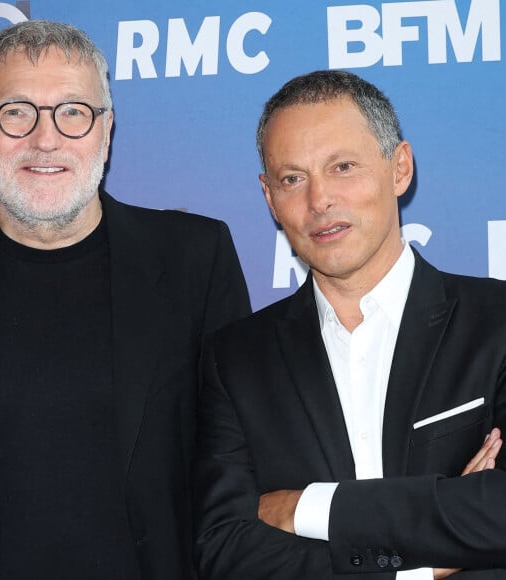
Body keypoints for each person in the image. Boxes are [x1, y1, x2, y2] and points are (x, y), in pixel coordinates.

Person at [0, 20, 251, 580]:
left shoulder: (196, 258)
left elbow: (245, 453)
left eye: (73, 111)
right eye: (16, 112)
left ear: (106, 131)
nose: (45, 138)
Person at [193, 70, 506, 580]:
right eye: (292, 179)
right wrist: (424, 564)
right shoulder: (236, 359)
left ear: (399, 168)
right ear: (269, 198)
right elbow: (226, 549)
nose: (319, 200)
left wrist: (308, 509)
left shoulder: (495, 320)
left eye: (343, 167)